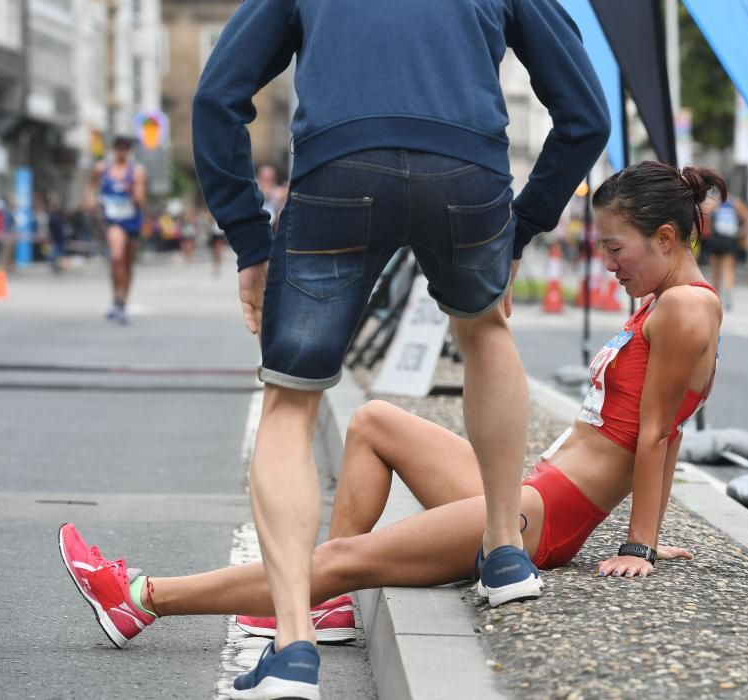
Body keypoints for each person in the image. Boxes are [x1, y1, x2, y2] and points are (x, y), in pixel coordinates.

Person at [58, 161, 723, 676]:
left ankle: (142, 597)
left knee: (345, 555)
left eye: (615, 248)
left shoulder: (686, 308)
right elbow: (660, 427)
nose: (605, 263)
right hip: (532, 492)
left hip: (540, 522)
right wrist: (648, 530)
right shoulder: (660, 301)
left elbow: (660, 432)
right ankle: (331, 602)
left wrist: (638, 546)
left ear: (665, 238)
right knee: (374, 419)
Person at [191, 2, 609, 696]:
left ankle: (295, 646)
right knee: (483, 330)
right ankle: (504, 552)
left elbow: (216, 97)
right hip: (467, 174)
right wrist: (522, 224)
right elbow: (585, 114)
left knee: (291, 404)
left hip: (338, 171)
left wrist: (248, 236)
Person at [88, 135, 147, 325]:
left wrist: (132, 192)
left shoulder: (136, 172)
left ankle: (123, 301)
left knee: (128, 264)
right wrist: (90, 201)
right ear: (113, 149)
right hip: (113, 221)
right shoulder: (102, 169)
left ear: (128, 151)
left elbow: (140, 199)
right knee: (116, 256)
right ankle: (116, 298)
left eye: (125, 148)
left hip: (131, 219)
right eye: (118, 147)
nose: (121, 151)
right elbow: (90, 186)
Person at [704, 191, 748, 310]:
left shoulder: (714, 202)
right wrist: (740, 232)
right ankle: (727, 295)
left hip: (716, 238)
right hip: (729, 238)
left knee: (715, 269)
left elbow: (705, 217)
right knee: (728, 269)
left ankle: (716, 295)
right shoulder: (735, 202)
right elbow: (747, 218)